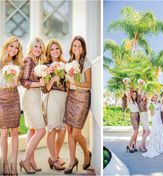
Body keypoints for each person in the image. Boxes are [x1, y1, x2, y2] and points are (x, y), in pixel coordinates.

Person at [0, 36, 23, 175]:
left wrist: (17, 83)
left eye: (16, 48)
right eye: (11, 46)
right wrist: (4, 85)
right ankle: (5, 163)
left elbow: (19, 82)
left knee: (15, 131)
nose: (13, 50)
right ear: (6, 46)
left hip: (14, 98)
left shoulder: (18, 64)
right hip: (2, 99)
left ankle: (14, 164)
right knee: (4, 132)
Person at [64, 36, 91, 174]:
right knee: (69, 131)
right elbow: (68, 82)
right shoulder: (69, 62)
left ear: (83, 48)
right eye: (74, 46)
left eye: (79, 46)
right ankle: (72, 160)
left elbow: (88, 84)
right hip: (71, 98)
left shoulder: (86, 62)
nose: (77, 48)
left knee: (76, 132)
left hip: (82, 98)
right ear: (71, 48)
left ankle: (86, 154)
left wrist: (74, 83)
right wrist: (68, 82)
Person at [20, 37, 46, 174]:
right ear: (31, 47)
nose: (38, 49)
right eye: (36, 46)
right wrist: (40, 83)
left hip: (35, 97)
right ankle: (25, 160)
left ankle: (31, 161)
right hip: (30, 97)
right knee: (41, 130)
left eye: (40, 47)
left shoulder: (36, 61)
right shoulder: (28, 60)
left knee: (32, 130)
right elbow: (24, 81)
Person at [43, 39, 67, 170]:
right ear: (48, 51)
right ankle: (53, 159)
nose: (55, 51)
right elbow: (44, 88)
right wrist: (53, 79)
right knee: (52, 129)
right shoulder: (45, 66)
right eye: (52, 49)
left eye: (57, 48)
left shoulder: (65, 64)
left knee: (62, 130)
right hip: (52, 98)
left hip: (64, 98)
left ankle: (55, 156)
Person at [143, 94, 163, 158]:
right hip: (155, 119)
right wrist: (152, 108)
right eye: (154, 97)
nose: (155, 98)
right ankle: (155, 147)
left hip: (159, 120)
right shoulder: (151, 104)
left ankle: (160, 147)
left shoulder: (159, 104)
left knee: (160, 131)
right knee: (155, 131)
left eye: (156, 97)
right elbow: (152, 113)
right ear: (152, 98)